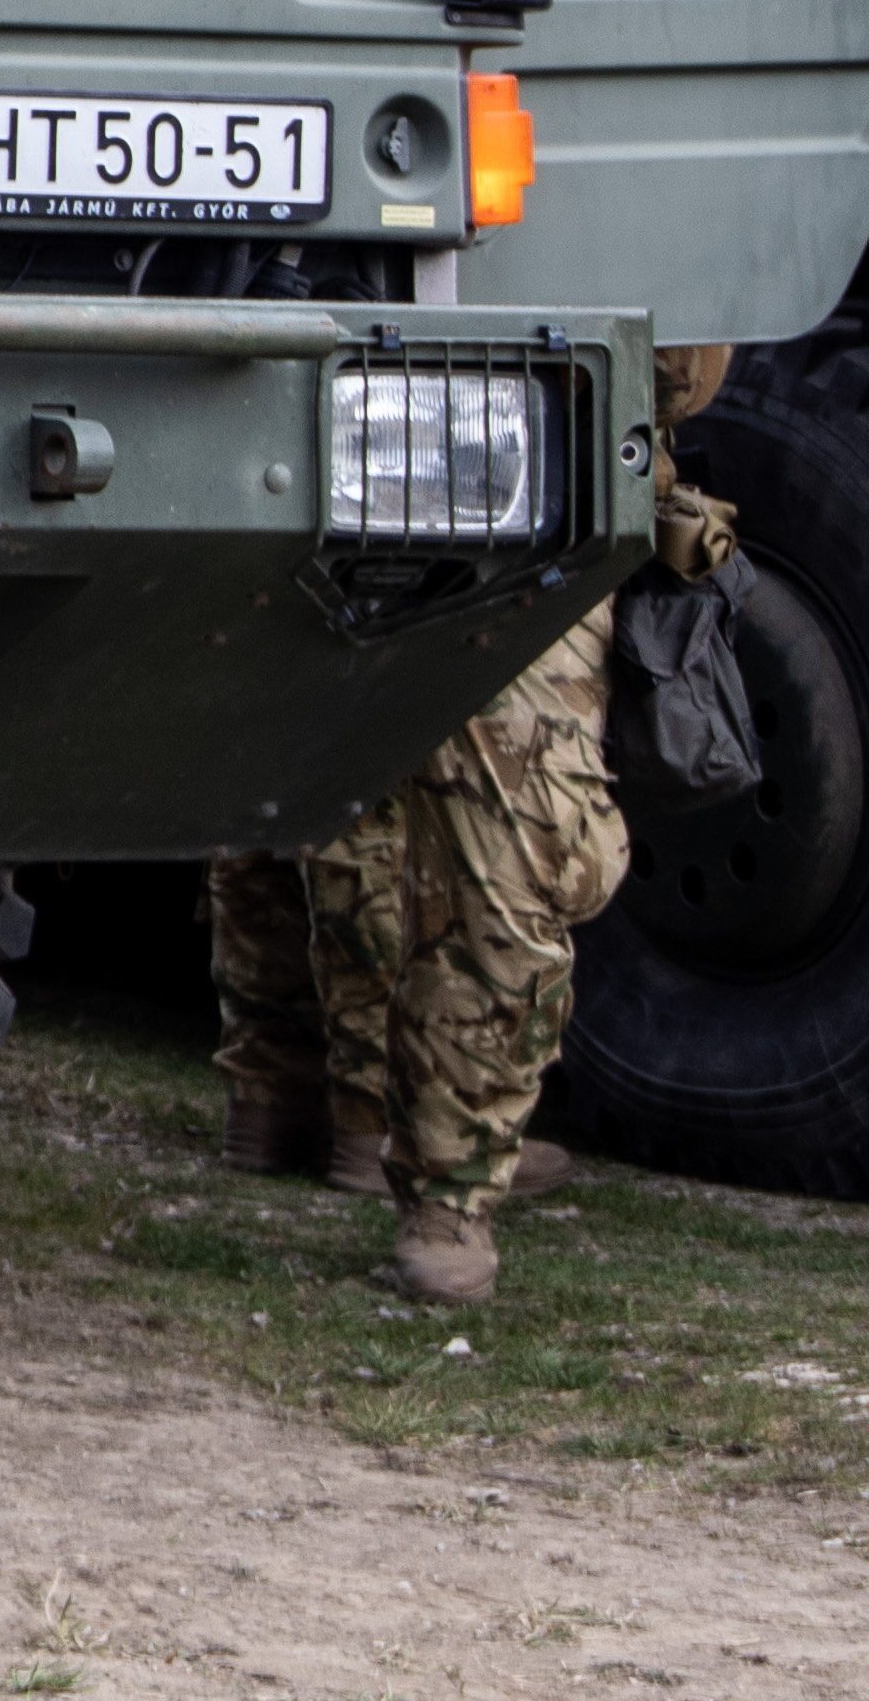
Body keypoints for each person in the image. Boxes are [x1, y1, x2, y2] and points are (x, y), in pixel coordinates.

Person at [205, 359, 697, 1305]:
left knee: (323, 770)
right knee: (509, 828)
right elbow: (672, 372)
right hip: (504, 469)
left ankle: (295, 1102)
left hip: (316, 430)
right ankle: (443, 1189)